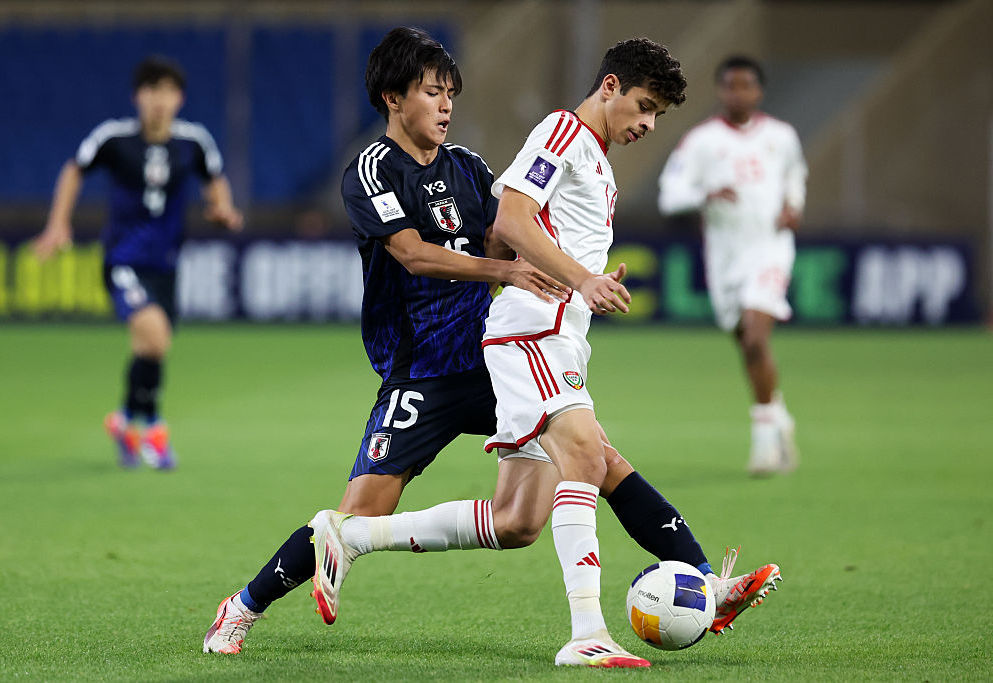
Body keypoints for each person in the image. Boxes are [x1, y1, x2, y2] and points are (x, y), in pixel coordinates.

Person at [310, 39, 781, 668]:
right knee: (589, 457)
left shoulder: (595, 155)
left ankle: (352, 534)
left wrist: (583, 278)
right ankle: (589, 630)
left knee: (518, 519)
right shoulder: (562, 131)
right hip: (530, 332)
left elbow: (507, 233)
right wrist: (577, 280)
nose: (645, 124)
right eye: (643, 106)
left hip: (556, 332)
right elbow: (512, 219)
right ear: (610, 86)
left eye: (657, 116)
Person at [202, 26, 566, 655]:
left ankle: (692, 574)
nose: (447, 105)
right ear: (394, 99)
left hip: (489, 366)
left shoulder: (471, 168)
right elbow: (413, 255)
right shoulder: (372, 171)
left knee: (592, 458)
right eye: (432, 92)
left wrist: (567, 269)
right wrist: (503, 270)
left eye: (451, 92)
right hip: (419, 374)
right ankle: (241, 606)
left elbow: (507, 233)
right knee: (351, 521)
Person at [32, 56, 242, 469]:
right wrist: (58, 224)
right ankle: (154, 432)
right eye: (151, 91)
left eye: (167, 91)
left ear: (178, 98)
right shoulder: (114, 138)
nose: (158, 100)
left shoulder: (193, 141)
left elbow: (214, 176)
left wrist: (223, 208)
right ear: (137, 97)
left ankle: (125, 420)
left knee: (151, 348)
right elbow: (74, 169)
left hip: (165, 264)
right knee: (156, 336)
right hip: (123, 258)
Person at [658, 55, 807, 476]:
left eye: (746, 86)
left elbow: (796, 174)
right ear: (720, 90)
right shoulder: (702, 142)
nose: (738, 93)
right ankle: (778, 416)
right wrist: (706, 191)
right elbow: (670, 194)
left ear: (758, 91)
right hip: (724, 256)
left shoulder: (781, 136)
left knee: (757, 338)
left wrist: (794, 206)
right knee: (746, 342)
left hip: (770, 248)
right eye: (730, 86)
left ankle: (764, 444)